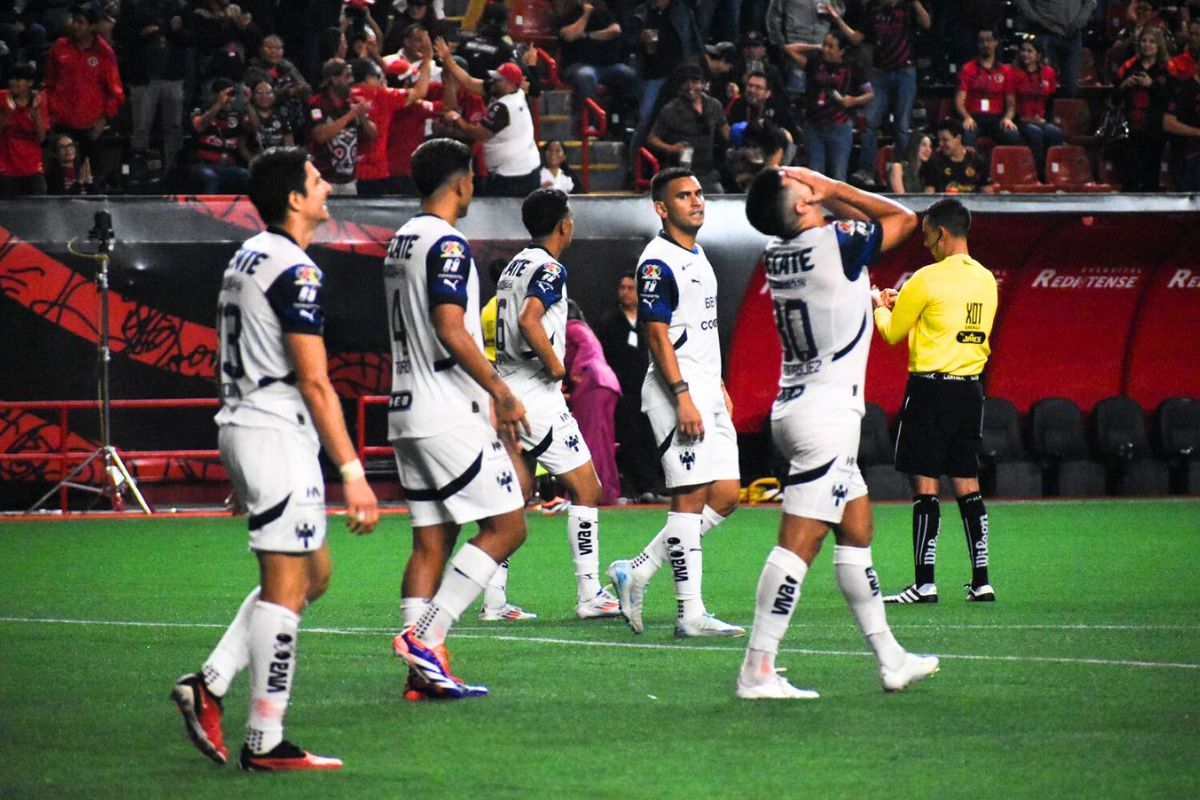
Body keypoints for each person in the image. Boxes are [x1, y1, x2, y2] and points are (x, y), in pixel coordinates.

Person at [169, 146, 380, 771]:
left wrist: (241, 455)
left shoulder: (246, 257)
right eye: (317, 182)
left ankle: (209, 681)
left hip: (248, 426)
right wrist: (353, 472)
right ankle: (266, 740)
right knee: (289, 588)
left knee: (313, 576)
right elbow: (316, 382)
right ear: (294, 198)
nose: (328, 191)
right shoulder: (295, 269)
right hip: (274, 430)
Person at [735, 164, 937, 699]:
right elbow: (903, 217)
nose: (809, 181)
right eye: (801, 183)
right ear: (802, 205)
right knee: (797, 545)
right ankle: (756, 669)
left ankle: (891, 658)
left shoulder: (778, 253)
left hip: (800, 407)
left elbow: (855, 230)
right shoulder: (836, 243)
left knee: (858, 529)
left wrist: (816, 194)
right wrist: (834, 187)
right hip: (826, 417)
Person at [384, 138, 532, 699]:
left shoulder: (400, 240)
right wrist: (500, 390)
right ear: (462, 183)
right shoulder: (446, 243)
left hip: (406, 408)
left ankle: (421, 674)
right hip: (447, 408)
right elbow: (451, 326)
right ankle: (427, 639)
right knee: (508, 526)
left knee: (431, 540)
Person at [607, 168, 743, 639]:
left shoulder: (698, 255)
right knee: (688, 498)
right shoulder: (656, 262)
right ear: (662, 208)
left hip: (707, 386)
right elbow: (656, 333)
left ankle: (638, 568)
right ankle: (690, 613)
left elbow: (701, 328)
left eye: (699, 193)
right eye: (684, 196)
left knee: (726, 496)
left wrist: (718, 383)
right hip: (675, 390)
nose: (697, 201)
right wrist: (682, 395)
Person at [494, 188, 623, 619]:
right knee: (588, 489)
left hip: (506, 386)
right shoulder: (550, 268)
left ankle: (494, 601)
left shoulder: (514, 265)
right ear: (563, 224)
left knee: (516, 495)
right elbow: (530, 319)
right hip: (535, 392)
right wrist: (556, 366)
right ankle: (590, 595)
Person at [871, 198, 998, 605]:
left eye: (927, 235)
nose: (925, 243)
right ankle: (982, 581)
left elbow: (892, 332)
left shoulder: (925, 278)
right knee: (967, 484)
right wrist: (903, 304)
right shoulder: (985, 279)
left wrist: (879, 307)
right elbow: (946, 322)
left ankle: (924, 583)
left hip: (930, 390)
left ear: (941, 233)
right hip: (970, 390)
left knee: (924, 484)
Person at [837, 0, 931, 187]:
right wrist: (837, 18)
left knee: (902, 125)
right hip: (880, 72)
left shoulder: (908, 8)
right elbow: (856, 38)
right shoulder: (874, 10)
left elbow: (927, 23)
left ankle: (906, 171)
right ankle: (866, 171)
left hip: (905, 71)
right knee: (870, 122)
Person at [594, 270, 666, 502]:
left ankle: (656, 486)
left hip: (651, 388)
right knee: (630, 439)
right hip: (623, 392)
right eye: (622, 288)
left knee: (652, 436)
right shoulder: (609, 322)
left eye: (630, 288)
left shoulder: (649, 321)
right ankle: (640, 487)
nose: (625, 293)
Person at [42, 4, 124, 191]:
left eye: (80, 22)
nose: (74, 25)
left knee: (92, 181)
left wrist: (103, 120)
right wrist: (49, 117)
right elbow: (49, 83)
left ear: (92, 27)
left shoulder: (104, 53)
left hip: (91, 128)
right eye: (74, 21)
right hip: (62, 124)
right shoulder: (59, 47)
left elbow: (115, 92)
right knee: (59, 182)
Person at [444, 61, 541, 197]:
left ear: (510, 84)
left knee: (503, 215)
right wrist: (448, 60)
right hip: (526, 168)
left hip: (514, 176)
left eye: (498, 80)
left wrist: (456, 119)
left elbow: (480, 134)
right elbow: (469, 82)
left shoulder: (505, 106)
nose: (493, 81)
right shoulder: (516, 91)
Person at [564, 302, 623, 507]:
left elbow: (585, 346)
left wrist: (576, 371)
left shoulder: (571, 327)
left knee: (590, 440)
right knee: (603, 441)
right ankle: (607, 491)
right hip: (606, 384)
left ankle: (590, 491)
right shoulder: (583, 326)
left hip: (592, 383)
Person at [801, 30, 873, 182]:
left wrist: (854, 100)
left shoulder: (853, 67)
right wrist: (816, 47)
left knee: (838, 176)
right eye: (824, 45)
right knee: (815, 175)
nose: (825, 49)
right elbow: (790, 49)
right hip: (814, 126)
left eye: (830, 46)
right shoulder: (815, 63)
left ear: (841, 50)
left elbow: (869, 94)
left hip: (840, 127)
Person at [647, 65, 730, 193]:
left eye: (695, 82)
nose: (690, 86)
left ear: (703, 84)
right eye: (686, 82)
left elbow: (725, 130)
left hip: (708, 172)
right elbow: (652, 138)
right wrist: (671, 148)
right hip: (680, 173)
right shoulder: (671, 109)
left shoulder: (714, 105)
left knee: (719, 197)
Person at [306, 58, 376, 194]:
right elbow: (320, 136)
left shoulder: (353, 102)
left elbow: (372, 134)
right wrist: (350, 115)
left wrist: (362, 116)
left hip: (349, 179)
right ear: (334, 79)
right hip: (323, 178)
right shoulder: (317, 103)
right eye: (347, 76)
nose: (351, 81)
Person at [1115, 28, 1171, 191]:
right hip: (1130, 127)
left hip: (1155, 128)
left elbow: (1170, 97)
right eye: (1144, 41)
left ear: (1159, 45)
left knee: (1150, 176)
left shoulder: (1167, 68)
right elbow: (1114, 96)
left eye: (1152, 41)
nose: (1147, 45)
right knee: (1130, 176)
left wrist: (1151, 85)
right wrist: (1124, 86)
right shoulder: (1129, 65)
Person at [955, 27, 1023, 148]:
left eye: (989, 40)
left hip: (997, 119)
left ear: (996, 42)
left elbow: (1011, 103)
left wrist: (1008, 118)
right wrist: (967, 117)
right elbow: (960, 101)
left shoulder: (1005, 71)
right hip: (974, 118)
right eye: (981, 41)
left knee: (1013, 135)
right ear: (977, 44)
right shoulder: (967, 68)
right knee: (966, 134)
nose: (985, 44)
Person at [1009, 36, 1066, 179]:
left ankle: (1054, 173)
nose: (1025, 54)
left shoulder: (1048, 73)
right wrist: (1028, 120)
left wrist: (1046, 120)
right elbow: (1010, 103)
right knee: (1035, 133)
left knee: (1056, 133)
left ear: (1038, 55)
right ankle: (1037, 175)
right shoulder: (1012, 73)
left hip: (1041, 120)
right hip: (1020, 120)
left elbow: (1050, 101)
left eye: (1030, 51)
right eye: (1023, 50)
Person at [1014, 0, 1096, 98]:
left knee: (1071, 87)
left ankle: (1062, 112)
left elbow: (1091, 1)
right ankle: (1039, 112)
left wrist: (1079, 22)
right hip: (1044, 31)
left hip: (1072, 33)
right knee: (1042, 84)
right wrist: (1035, 18)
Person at [0, 62, 49, 197]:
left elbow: (42, 139)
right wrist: (8, 112)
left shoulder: (39, 101)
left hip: (33, 170)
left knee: (38, 213)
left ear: (30, 82)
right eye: (11, 79)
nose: (13, 83)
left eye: (18, 79)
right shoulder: (2, 97)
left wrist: (36, 111)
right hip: (6, 170)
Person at [1163, 53, 1200, 191]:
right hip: (1190, 155)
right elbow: (1168, 123)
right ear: (1196, 65)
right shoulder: (1184, 89)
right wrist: (1198, 132)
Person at [921, 118, 989, 193]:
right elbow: (929, 196)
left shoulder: (977, 160)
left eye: (945, 140)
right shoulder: (933, 162)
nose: (940, 144)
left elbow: (988, 193)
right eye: (939, 140)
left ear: (958, 138)